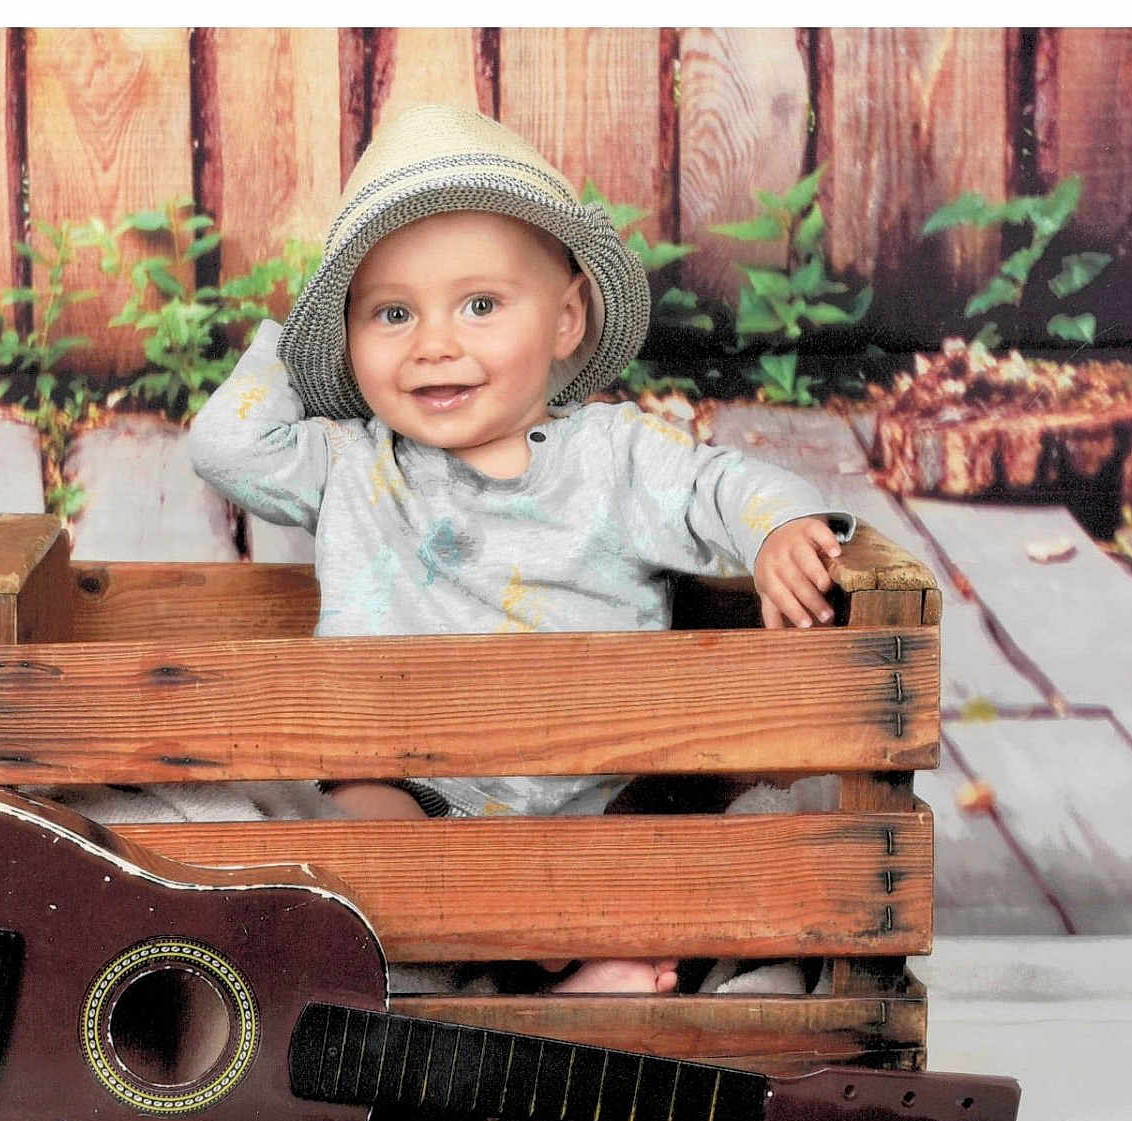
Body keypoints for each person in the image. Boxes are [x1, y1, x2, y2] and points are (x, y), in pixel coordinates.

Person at [187, 104, 854, 994]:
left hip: (596, 794)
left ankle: (581, 974)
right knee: (354, 843)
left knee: (699, 843)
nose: (434, 344)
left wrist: (773, 527)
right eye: (390, 313)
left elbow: (717, 486)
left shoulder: (614, 458)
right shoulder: (352, 466)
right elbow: (226, 446)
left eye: (479, 305)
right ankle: (484, 991)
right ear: (349, 340)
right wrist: (295, 333)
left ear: (566, 320)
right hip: (418, 794)